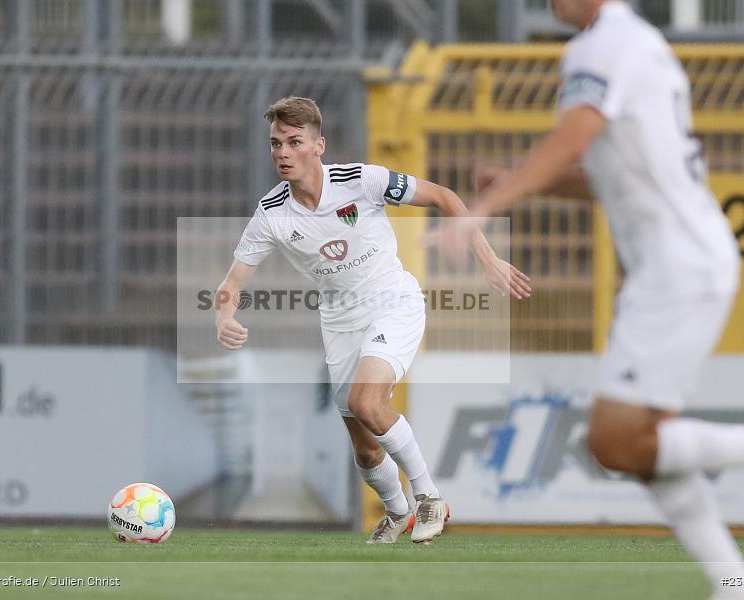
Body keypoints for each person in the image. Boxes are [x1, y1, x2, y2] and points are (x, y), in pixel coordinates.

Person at [446, 1, 744, 598]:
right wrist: (521, 183)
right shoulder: (636, 43)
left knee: (615, 441)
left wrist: (481, 210)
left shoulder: (602, 44)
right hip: (678, 262)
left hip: (675, 267)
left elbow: (574, 135)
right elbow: (612, 174)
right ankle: (737, 585)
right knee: (646, 446)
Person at [214, 96, 531, 544]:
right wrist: (224, 315)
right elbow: (233, 281)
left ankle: (429, 498)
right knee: (364, 446)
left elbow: (444, 197)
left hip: (392, 301)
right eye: (275, 144)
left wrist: (490, 258)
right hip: (339, 322)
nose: (283, 153)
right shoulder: (271, 214)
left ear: (318, 145)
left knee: (367, 402)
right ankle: (397, 510)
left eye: (294, 142)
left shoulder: (361, 181)